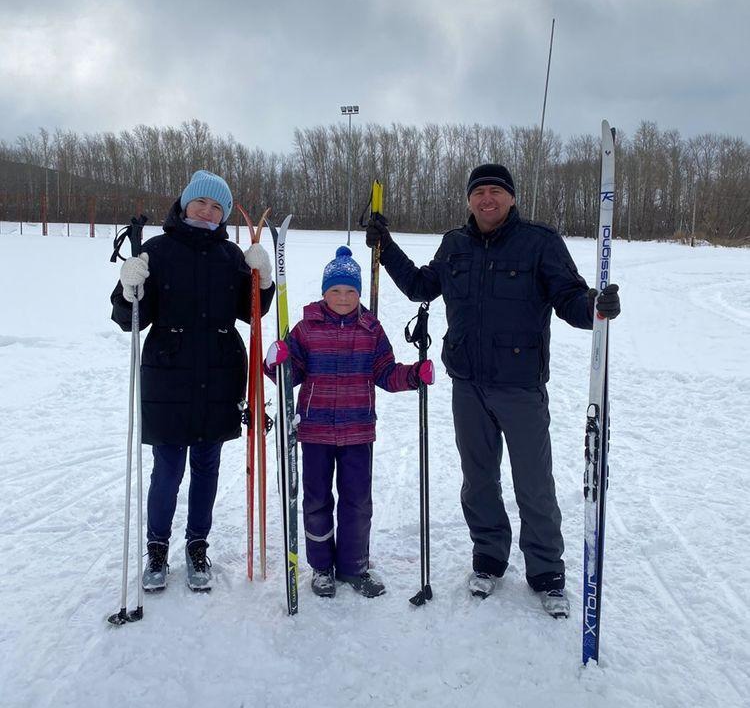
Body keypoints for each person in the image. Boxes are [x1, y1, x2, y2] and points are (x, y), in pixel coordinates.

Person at [366, 164, 621, 617]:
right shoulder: (455, 244)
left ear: (511, 198)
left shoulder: (540, 243)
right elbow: (421, 286)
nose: (487, 199)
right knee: (478, 480)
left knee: (534, 484)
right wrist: (385, 249)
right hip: (468, 385)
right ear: (469, 200)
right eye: (479, 192)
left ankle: (546, 572)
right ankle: (488, 557)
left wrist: (594, 307)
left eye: (496, 192)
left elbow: (569, 299)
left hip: (520, 387)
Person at [111, 170, 275, 592]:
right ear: (185, 204)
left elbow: (252, 312)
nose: (207, 211)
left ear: (223, 216)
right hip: (168, 376)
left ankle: (197, 544)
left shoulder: (230, 256)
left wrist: (264, 281)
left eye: (217, 207)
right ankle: (157, 547)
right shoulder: (157, 251)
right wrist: (128, 287)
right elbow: (129, 319)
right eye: (201, 202)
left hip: (220, 376)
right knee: (167, 468)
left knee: (207, 467)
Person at [264, 245, 434, 599]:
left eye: (351, 291)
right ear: (324, 292)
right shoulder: (306, 328)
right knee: (316, 500)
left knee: (357, 502)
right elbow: (289, 376)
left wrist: (414, 375)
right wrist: (275, 362)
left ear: (358, 293)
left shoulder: (371, 329)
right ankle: (321, 566)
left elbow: (385, 372)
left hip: (358, 431)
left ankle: (354, 566)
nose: (343, 298)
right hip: (315, 431)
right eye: (335, 291)